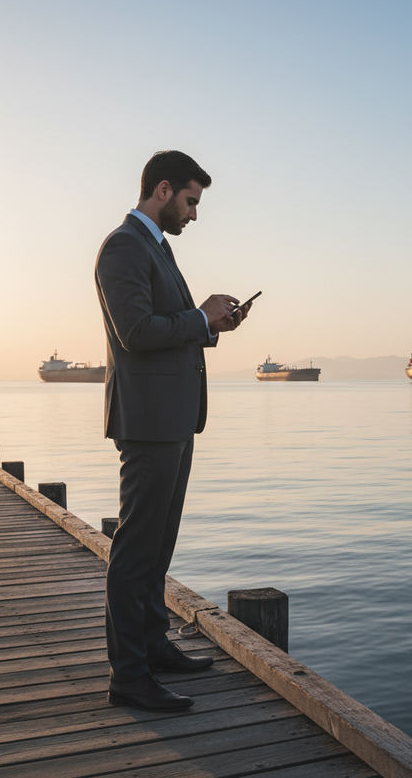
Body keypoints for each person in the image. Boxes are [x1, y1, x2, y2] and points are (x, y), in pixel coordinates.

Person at [94, 150, 251, 711]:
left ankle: (153, 645)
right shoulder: (123, 247)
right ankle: (128, 677)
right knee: (135, 549)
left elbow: (172, 328)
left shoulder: (156, 249)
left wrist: (214, 325)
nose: (192, 213)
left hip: (175, 419)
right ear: (162, 190)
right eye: (189, 201)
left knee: (158, 546)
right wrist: (200, 316)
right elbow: (136, 332)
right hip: (149, 422)